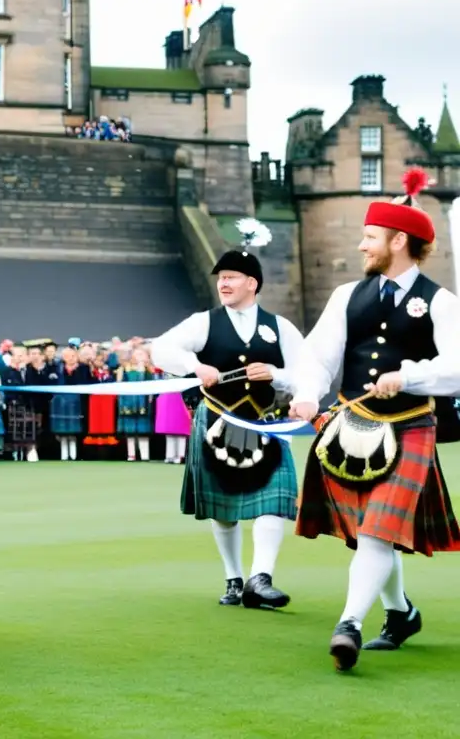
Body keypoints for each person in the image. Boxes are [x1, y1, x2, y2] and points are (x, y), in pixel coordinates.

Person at [288, 168, 460, 672]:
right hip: (350, 428)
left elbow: (456, 366)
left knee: (377, 531)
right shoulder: (347, 295)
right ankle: (401, 613)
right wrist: (305, 394)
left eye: (370, 237)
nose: (362, 246)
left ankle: (349, 625)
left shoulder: (441, 301)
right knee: (370, 531)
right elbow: (319, 356)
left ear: (398, 240)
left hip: (409, 426)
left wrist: (407, 376)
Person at [149, 243, 307, 610]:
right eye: (221, 278)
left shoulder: (279, 327)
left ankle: (260, 578)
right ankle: (234, 578)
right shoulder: (204, 322)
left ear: (252, 283)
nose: (224, 284)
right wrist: (195, 366)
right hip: (216, 421)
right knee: (224, 509)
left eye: (232, 277)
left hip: (265, 423)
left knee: (275, 500)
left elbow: (306, 374)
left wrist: (277, 375)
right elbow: (161, 349)